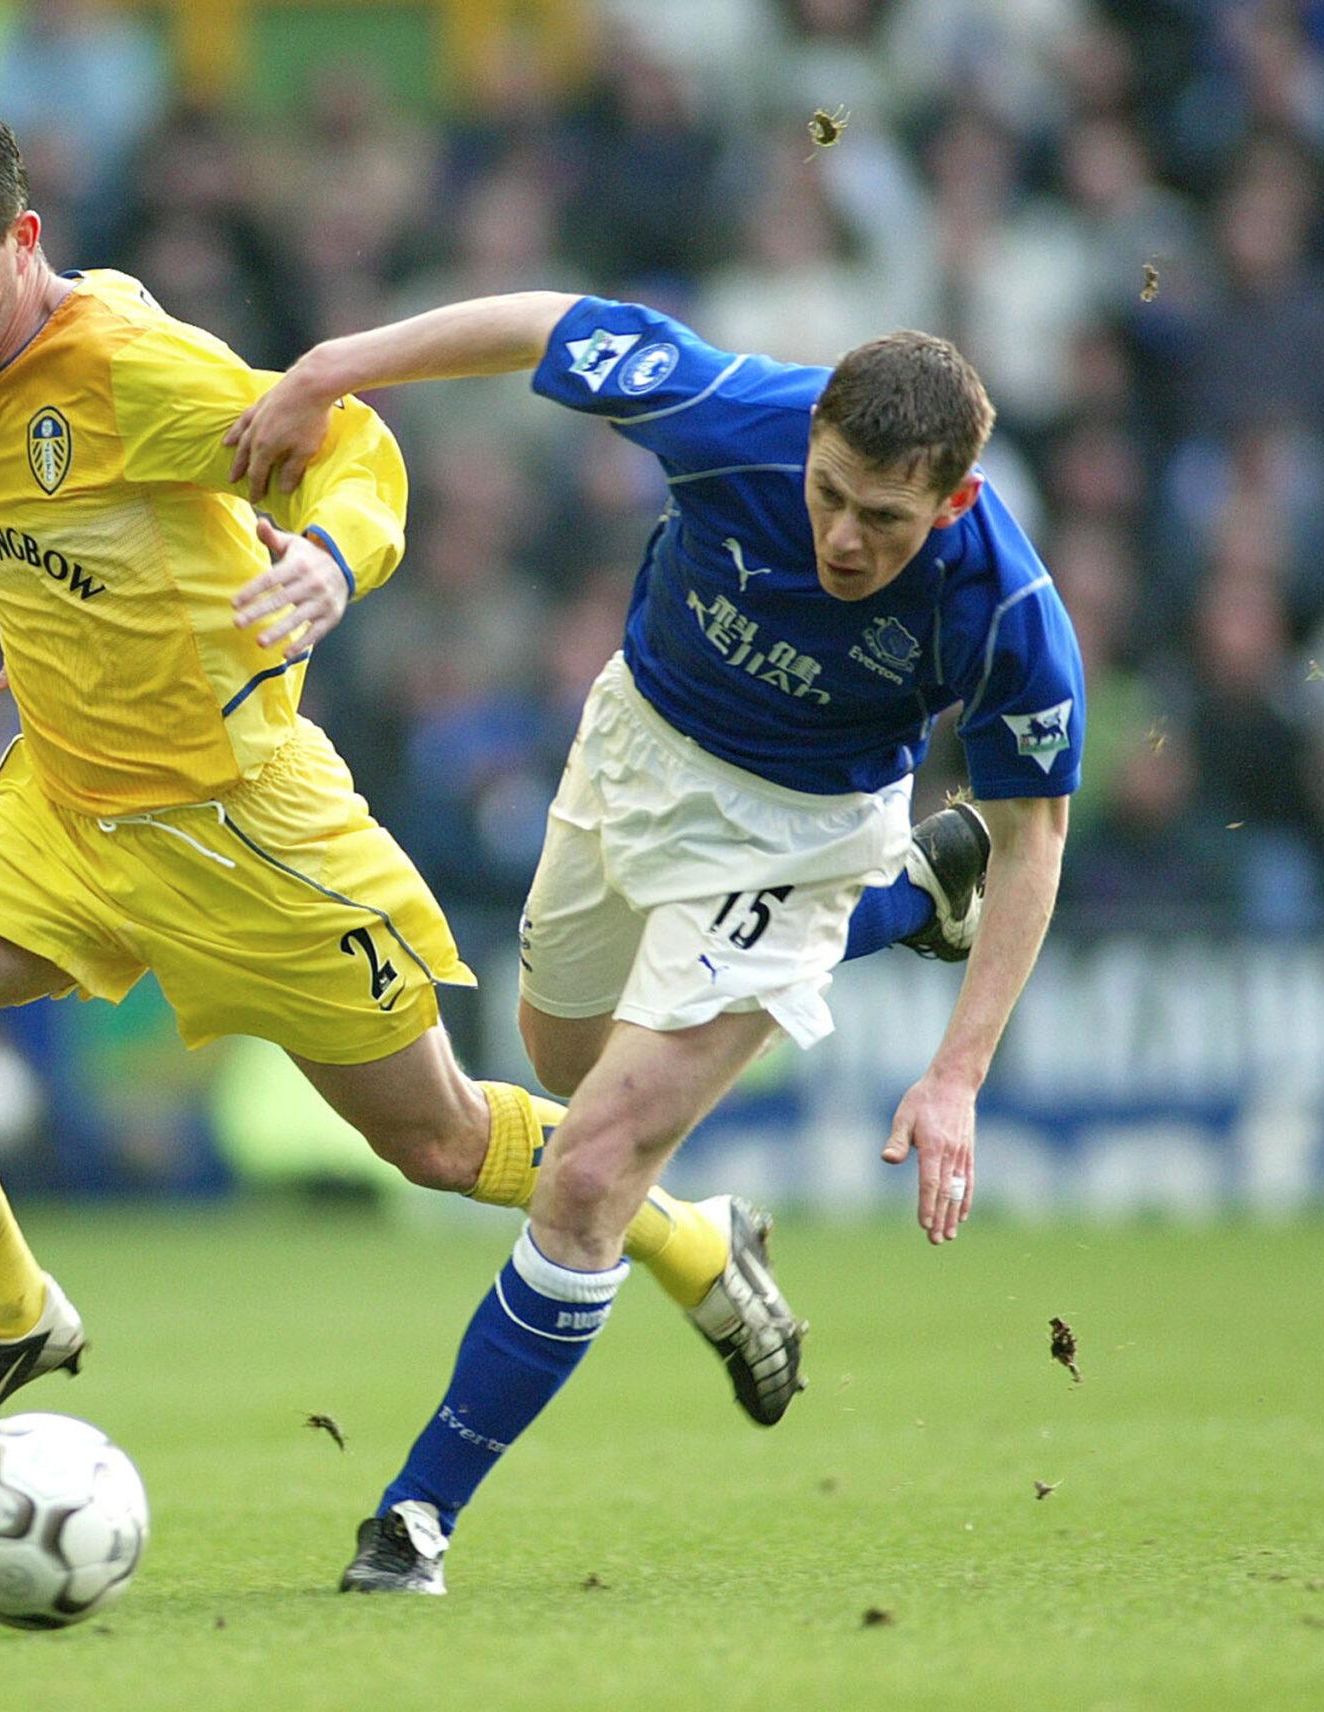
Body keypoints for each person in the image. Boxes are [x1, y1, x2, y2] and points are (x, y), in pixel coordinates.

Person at [0, 97, 986, 1473]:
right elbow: (110, 541)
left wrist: (329, 559)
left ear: (21, 239)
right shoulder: (5, 364)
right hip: (65, 811)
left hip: (242, 834)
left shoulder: (120, 364)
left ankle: (693, 1240)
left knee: (438, 1140)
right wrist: (63, 644)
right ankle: (11, 1312)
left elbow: (353, 446)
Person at [228, 292, 1082, 1594]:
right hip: (635, 747)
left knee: (588, 1169)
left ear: (954, 502)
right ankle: (907, 903)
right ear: (810, 440)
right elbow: (545, 323)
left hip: (803, 834)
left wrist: (958, 1073)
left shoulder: (1007, 605)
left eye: (886, 517)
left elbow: (1035, 839)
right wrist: (328, 368)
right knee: (562, 1061)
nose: (844, 538)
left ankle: (414, 1518)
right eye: (829, 494)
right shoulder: (732, 412)